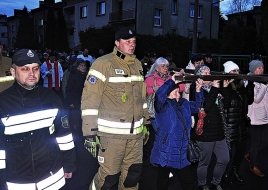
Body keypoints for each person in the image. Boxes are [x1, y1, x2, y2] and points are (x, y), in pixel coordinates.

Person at [81, 27, 148, 190]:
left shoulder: (138, 64)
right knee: (108, 178)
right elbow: (90, 101)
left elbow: (142, 99)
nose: (132, 45)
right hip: (111, 137)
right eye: (127, 41)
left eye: (133, 42)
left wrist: (146, 123)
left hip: (136, 137)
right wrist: (89, 133)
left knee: (132, 176)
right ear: (117, 43)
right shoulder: (103, 64)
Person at [0, 49, 76, 189]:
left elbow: (64, 134)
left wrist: (69, 163)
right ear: (12, 72)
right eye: (25, 69)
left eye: (35, 68)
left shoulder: (52, 97)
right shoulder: (3, 103)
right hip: (19, 181)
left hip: (52, 178)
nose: (32, 73)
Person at [151, 74, 204, 190]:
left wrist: (198, 91)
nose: (178, 95)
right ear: (168, 94)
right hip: (166, 150)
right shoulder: (163, 106)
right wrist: (171, 81)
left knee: (188, 183)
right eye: (174, 92)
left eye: (178, 92)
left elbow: (196, 107)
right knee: (162, 182)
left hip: (182, 150)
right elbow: (159, 95)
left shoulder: (184, 104)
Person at [140, 57, 184, 190]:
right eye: (163, 65)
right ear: (157, 67)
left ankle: (165, 161)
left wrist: (175, 81)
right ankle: (161, 160)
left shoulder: (171, 77)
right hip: (156, 113)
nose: (166, 68)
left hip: (169, 112)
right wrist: (160, 89)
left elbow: (181, 87)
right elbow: (145, 91)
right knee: (162, 135)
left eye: (167, 65)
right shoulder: (150, 78)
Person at [190, 64, 230, 190]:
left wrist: (226, 88)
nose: (209, 75)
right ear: (199, 76)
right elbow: (205, 107)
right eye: (205, 73)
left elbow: (227, 104)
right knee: (204, 162)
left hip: (218, 131)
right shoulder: (196, 89)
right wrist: (214, 88)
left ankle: (216, 181)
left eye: (209, 72)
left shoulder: (215, 88)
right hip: (205, 133)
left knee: (224, 159)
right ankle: (202, 184)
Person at [221, 61, 254, 185]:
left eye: (237, 71)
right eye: (233, 71)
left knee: (241, 151)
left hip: (241, 124)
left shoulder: (241, 86)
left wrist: (250, 85)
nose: (236, 73)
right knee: (226, 154)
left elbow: (249, 101)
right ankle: (223, 172)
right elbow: (225, 104)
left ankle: (234, 172)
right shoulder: (223, 85)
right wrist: (227, 86)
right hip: (229, 125)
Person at [244, 60, 268, 177]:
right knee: (255, 143)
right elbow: (256, 99)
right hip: (254, 118)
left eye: (262, 68)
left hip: (266, 116)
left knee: (267, 141)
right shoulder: (248, 82)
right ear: (253, 69)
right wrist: (263, 85)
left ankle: (250, 155)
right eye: (258, 68)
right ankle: (253, 165)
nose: (261, 70)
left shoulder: (265, 80)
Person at [66, 59, 88, 136]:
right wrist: (70, 101)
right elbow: (68, 89)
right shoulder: (73, 75)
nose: (83, 67)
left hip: (85, 100)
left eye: (84, 65)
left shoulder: (87, 75)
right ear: (77, 67)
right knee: (77, 118)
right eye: (81, 65)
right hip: (75, 101)